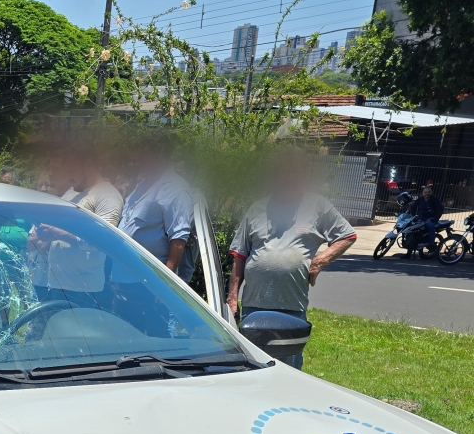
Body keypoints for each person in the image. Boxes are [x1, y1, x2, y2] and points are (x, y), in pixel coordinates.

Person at [227, 149, 356, 368]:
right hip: (253, 305)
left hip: (291, 306)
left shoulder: (317, 206)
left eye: (295, 172)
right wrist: (232, 298)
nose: (289, 178)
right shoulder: (258, 208)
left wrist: (321, 260)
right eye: (283, 172)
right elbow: (239, 256)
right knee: (252, 364)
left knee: (288, 367)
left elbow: (347, 236)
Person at [118, 133, 196, 281]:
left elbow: (178, 240)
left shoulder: (175, 187)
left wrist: (165, 283)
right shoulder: (142, 185)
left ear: (159, 151)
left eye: (143, 152)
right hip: (122, 275)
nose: (138, 158)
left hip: (147, 281)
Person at [66, 146, 124, 227]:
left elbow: (103, 236)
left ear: (88, 166)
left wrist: (64, 234)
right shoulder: (73, 189)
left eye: (72, 171)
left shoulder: (108, 196)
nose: (68, 177)